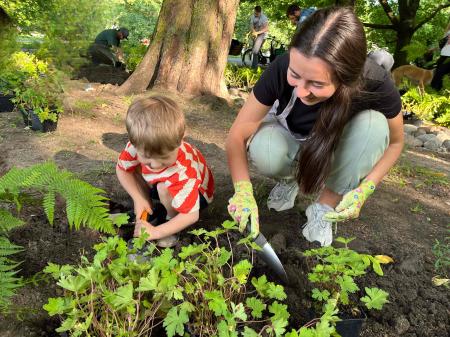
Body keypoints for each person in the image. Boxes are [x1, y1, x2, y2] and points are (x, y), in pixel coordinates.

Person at [226, 7, 403, 247]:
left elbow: (395, 142)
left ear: (346, 79)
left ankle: (324, 208)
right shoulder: (281, 66)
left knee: (375, 126)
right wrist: (243, 189)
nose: (301, 91)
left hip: (335, 145)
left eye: (317, 84)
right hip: (288, 135)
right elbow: (237, 134)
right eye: (295, 74)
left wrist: (367, 187)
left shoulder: (376, 84)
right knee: (265, 149)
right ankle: (288, 180)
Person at [116, 96, 215, 247]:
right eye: (147, 158)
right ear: (134, 143)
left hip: (196, 194)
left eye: (164, 157)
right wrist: (138, 198)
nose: (155, 165)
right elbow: (122, 169)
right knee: (133, 168)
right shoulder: (139, 145)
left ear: (181, 138)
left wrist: (157, 232)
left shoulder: (184, 171)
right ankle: (148, 205)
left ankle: (169, 222)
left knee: (164, 188)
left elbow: (191, 215)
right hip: (162, 181)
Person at [431, 23, 450, 91]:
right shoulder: (447, 33)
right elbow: (441, 45)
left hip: (448, 57)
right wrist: (432, 49)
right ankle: (436, 89)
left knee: (440, 71)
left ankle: (435, 89)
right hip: (443, 55)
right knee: (438, 72)